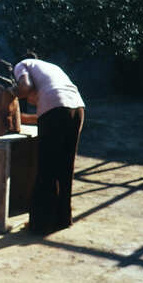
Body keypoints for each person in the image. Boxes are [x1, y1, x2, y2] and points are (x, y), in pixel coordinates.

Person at [13, 54, 85, 234]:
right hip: (77, 108)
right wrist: (20, 119)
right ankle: (63, 220)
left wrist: (10, 91)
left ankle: (40, 226)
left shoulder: (22, 64)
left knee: (46, 169)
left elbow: (25, 88)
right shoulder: (50, 68)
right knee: (65, 167)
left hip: (57, 109)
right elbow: (49, 115)